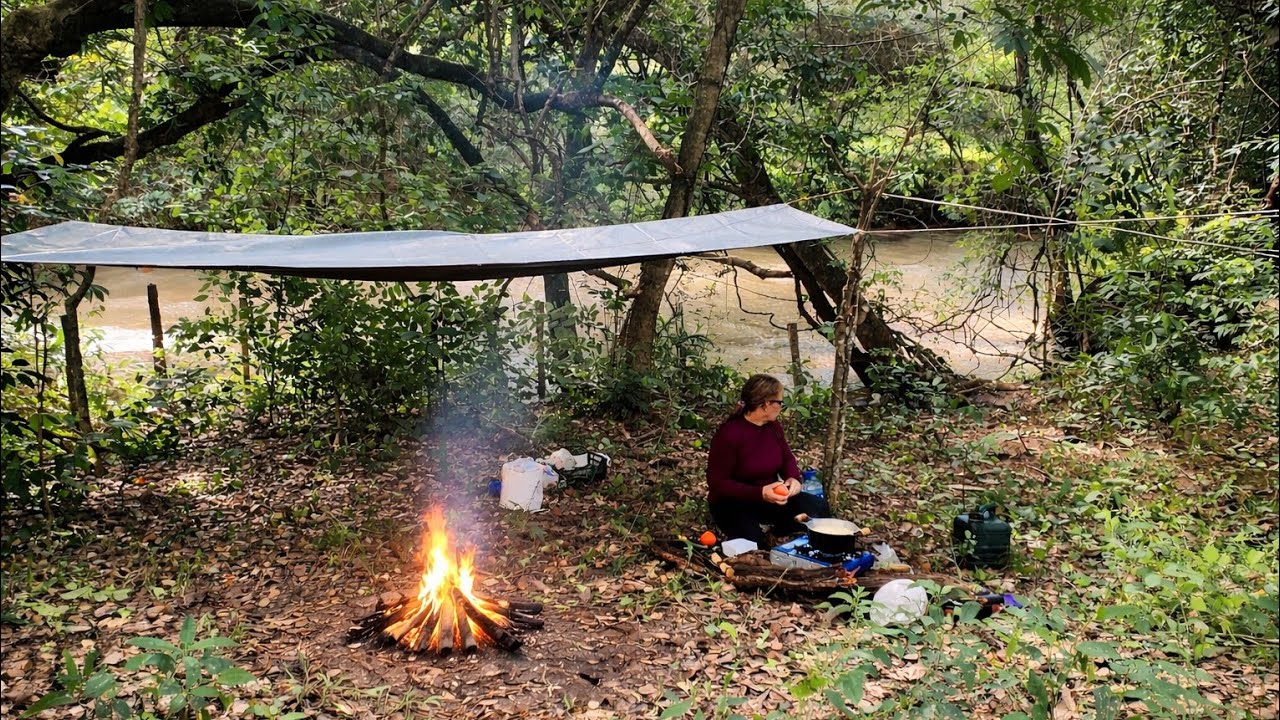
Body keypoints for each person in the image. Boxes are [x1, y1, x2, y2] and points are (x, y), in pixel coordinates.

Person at [706, 374, 831, 545]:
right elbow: (718, 483)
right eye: (779, 402)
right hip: (734, 502)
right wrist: (760, 493)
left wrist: (793, 478)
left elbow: (787, 458)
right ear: (765, 404)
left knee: (819, 508)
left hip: (771, 498)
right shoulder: (729, 435)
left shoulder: (773, 427)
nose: (782, 407)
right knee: (753, 542)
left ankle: (778, 531)